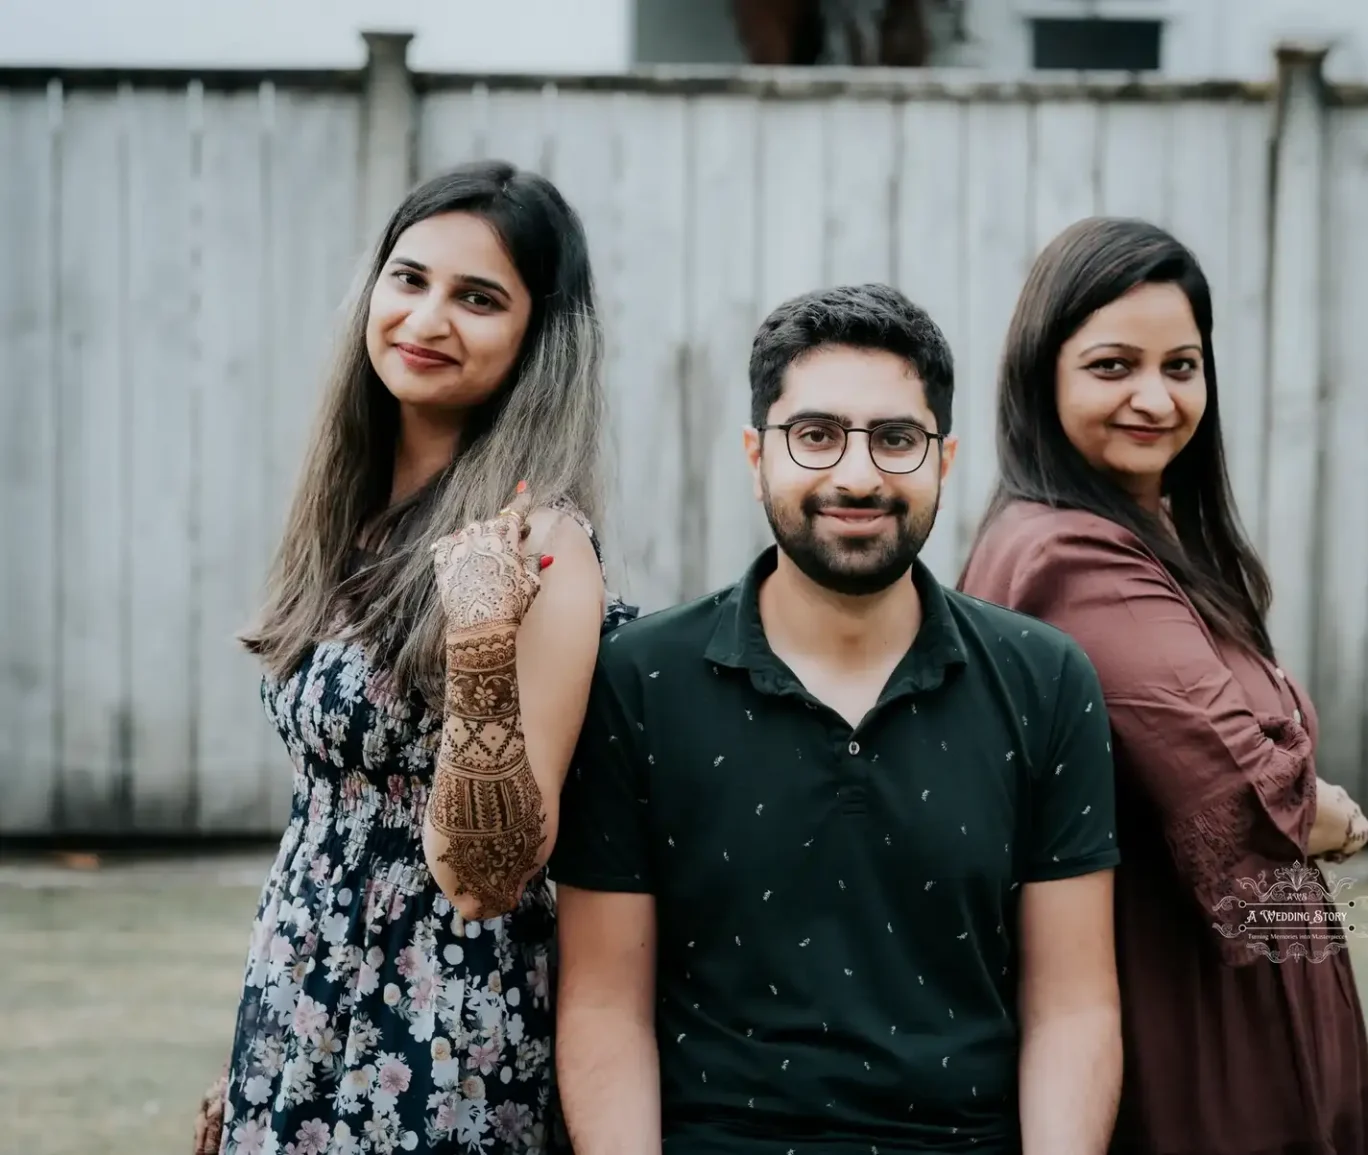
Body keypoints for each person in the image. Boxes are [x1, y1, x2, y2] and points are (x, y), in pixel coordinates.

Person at [548, 283, 1123, 1155]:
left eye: (897, 439)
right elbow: (601, 1006)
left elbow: (1074, 1007)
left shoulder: (1045, 680)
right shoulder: (639, 680)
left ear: (944, 458)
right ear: (755, 455)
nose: (857, 475)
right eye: (815, 435)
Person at [193, 160, 635, 1155]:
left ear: (537, 338)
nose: (428, 318)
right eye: (410, 278)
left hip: (441, 1044)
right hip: (299, 1016)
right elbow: (327, 824)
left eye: (478, 298)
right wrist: (259, 1053)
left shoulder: (543, 549)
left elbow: (486, 876)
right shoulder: (355, 519)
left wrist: (480, 636)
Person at [958, 217, 1368, 1155]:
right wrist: (1335, 817)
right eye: (1114, 365)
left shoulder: (1137, 532)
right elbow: (1242, 792)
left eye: (1180, 366)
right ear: (1044, 373)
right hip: (1182, 1014)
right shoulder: (1072, 554)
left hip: (1221, 990)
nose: (1155, 397)